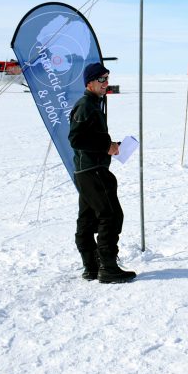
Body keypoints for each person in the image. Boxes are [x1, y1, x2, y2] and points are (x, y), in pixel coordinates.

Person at [68, 62, 136, 283]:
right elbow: (76, 139)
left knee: (87, 218)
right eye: (102, 79)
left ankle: (91, 266)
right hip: (92, 170)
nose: (106, 83)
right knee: (111, 215)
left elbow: (89, 138)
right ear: (89, 82)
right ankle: (107, 267)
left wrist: (112, 145)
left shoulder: (93, 104)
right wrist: (105, 146)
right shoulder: (86, 105)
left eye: (107, 79)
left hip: (89, 168)